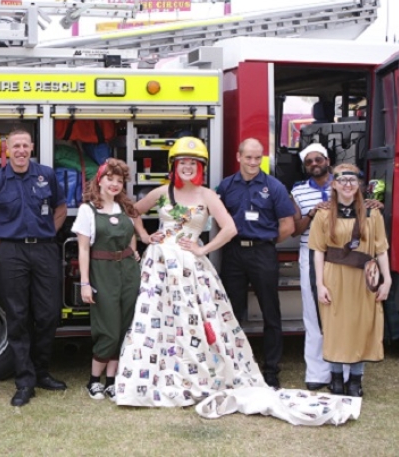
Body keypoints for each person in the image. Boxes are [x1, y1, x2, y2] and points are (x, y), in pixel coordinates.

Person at [115, 138, 361, 426]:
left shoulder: (224, 192)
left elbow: (245, 226)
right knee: (170, 319)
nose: (187, 167)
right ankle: (158, 374)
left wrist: (204, 249)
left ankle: (269, 371)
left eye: (192, 163)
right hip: (167, 265)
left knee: (255, 314)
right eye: (182, 162)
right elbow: (131, 211)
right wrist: (145, 237)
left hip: (233, 257)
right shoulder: (208, 187)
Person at [0, 128, 67, 407]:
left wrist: (45, 236)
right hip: (12, 251)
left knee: (49, 313)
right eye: (15, 146)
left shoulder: (46, 175)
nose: (20, 151)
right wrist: (3, 242)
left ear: (31, 148)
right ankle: (25, 381)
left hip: (44, 249)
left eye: (25, 146)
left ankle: (41, 371)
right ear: (7, 149)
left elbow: (61, 209)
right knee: (17, 316)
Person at [217, 138, 294, 388]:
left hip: (263, 253)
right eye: (248, 157)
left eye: (257, 157)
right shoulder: (226, 186)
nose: (253, 162)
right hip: (233, 254)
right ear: (238, 157)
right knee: (233, 313)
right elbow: (217, 220)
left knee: (271, 313)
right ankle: (235, 368)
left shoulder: (275, 187)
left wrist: (266, 241)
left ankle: (271, 371)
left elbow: (287, 226)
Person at [310, 164, 391, 397]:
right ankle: (336, 380)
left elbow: (381, 249)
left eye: (352, 181)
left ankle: (355, 381)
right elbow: (318, 250)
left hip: (365, 277)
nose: (347, 185)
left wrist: (387, 281)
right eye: (342, 181)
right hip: (334, 274)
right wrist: (320, 284)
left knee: (361, 325)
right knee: (336, 327)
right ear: (334, 185)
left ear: (359, 186)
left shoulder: (372, 214)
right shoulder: (324, 214)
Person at [72, 158, 141, 401]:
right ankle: (94, 381)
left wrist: (134, 252)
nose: (114, 184)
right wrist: (85, 282)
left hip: (128, 272)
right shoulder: (87, 210)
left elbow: (132, 235)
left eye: (119, 180)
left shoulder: (126, 209)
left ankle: (111, 382)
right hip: (102, 271)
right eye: (109, 179)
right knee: (107, 329)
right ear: (99, 180)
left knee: (124, 327)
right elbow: (83, 250)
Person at [290, 143, 333, 390]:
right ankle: (317, 373)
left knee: (341, 314)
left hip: (342, 255)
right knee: (313, 314)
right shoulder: (297, 193)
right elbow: (296, 230)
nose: (314, 164)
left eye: (318, 159)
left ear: (327, 160)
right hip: (311, 252)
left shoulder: (345, 185)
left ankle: (342, 370)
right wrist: (313, 213)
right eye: (309, 162)